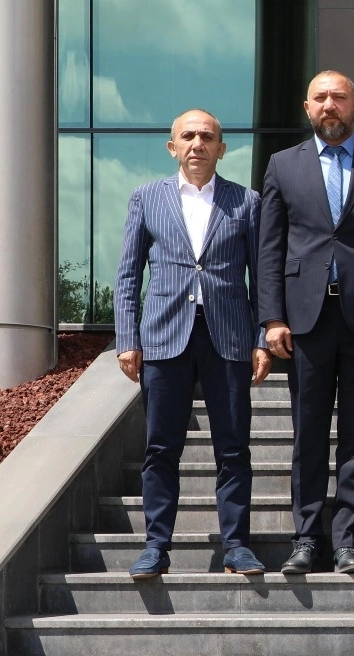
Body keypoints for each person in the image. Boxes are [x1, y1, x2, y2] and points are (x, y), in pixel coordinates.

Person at [114, 109, 270, 579]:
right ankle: (156, 546)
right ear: (173, 147)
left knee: (233, 448)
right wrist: (127, 338)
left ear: (222, 148)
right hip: (164, 336)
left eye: (207, 136)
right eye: (188, 136)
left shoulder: (247, 201)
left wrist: (261, 338)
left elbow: (262, 278)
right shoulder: (146, 198)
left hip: (229, 336)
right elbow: (128, 274)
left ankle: (237, 546)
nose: (197, 143)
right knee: (161, 448)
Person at [258, 70, 354, 575]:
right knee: (308, 433)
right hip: (304, 321)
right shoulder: (282, 165)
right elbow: (269, 247)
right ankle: (306, 538)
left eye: (339, 97)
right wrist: (272, 317)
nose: (330, 105)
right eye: (321, 97)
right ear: (307, 107)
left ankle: (348, 541)